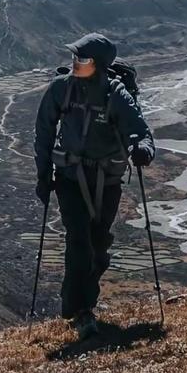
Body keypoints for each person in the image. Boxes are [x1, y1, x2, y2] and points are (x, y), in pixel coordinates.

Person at [33, 32, 155, 339]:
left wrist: (143, 148)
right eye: (75, 57)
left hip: (106, 180)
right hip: (70, 178)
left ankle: (75, 302)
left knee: (98, 246)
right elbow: (44, 129)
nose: (75, 63)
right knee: (79, 242)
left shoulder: (115, 94)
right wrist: (43, 174)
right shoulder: (62, 88)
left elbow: (139, 128)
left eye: (83, 59)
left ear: (98, 65)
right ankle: (82, 311)